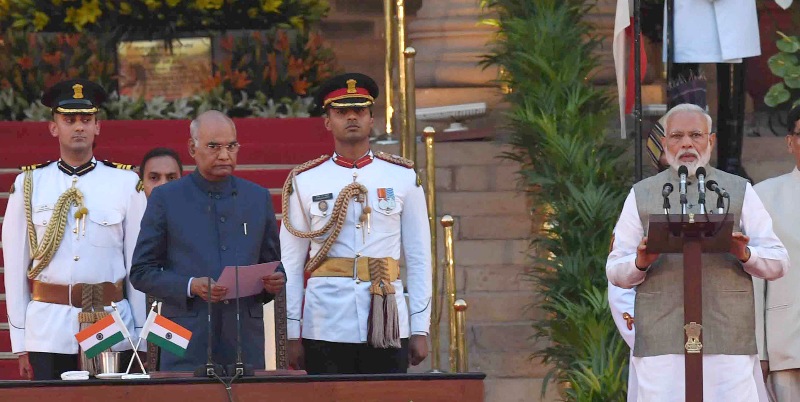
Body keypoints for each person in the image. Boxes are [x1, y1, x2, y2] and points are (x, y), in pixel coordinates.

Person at [607, 103, 789, 401]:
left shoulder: (739, 189)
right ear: (664, 143)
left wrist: (745, 254)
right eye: (677, 136)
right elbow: (615, 269)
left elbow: (779, 262)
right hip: (661, 336)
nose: (687, 143)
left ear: (711, 141)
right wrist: (641, 262)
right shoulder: (642, 194)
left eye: (696, 135)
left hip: (726, 334)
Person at [280, 72, 432, 374]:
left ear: (371, 118)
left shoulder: (402, 178)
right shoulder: (305, 180)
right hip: (325, 321)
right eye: (341, 111)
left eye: (359, 110)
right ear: (327, 121)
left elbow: (418, 257)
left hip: (387, 317)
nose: (352, 117)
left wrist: (420, 326)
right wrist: (291, 332)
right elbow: (290, 263)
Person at [1, 79, 147, 380]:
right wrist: (21, 341)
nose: (78, 127)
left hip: (109, 320)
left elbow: (138, 266)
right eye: (69, 120)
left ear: (97, 126)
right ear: (54, 127)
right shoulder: (29, 185)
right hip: (47, 326)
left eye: (86, 119)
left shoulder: (126, 184)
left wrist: (140, 335)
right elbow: (14, 269)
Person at [130, 110, 285, 372]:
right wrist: (191, 285)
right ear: (192, 148)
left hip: (243, 341)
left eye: (231, 146)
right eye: (214, 146)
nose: (224, 155)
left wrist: (274, 282)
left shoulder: (257, 198)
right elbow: (141, 272)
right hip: (181, 338)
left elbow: (273, 265)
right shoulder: (166, 199)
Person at [753, 105, 800, 401]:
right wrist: (759, 350)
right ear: (790, 141)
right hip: (787, 346)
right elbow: (755, 282)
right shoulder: (764, 195)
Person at [137, 147, 184, 371]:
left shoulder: (193, 225)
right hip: (125, 332)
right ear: (141, 183)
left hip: (175, 332)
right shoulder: (124, 222)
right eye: (154, 178)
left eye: (171, 178)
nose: (163, 185)